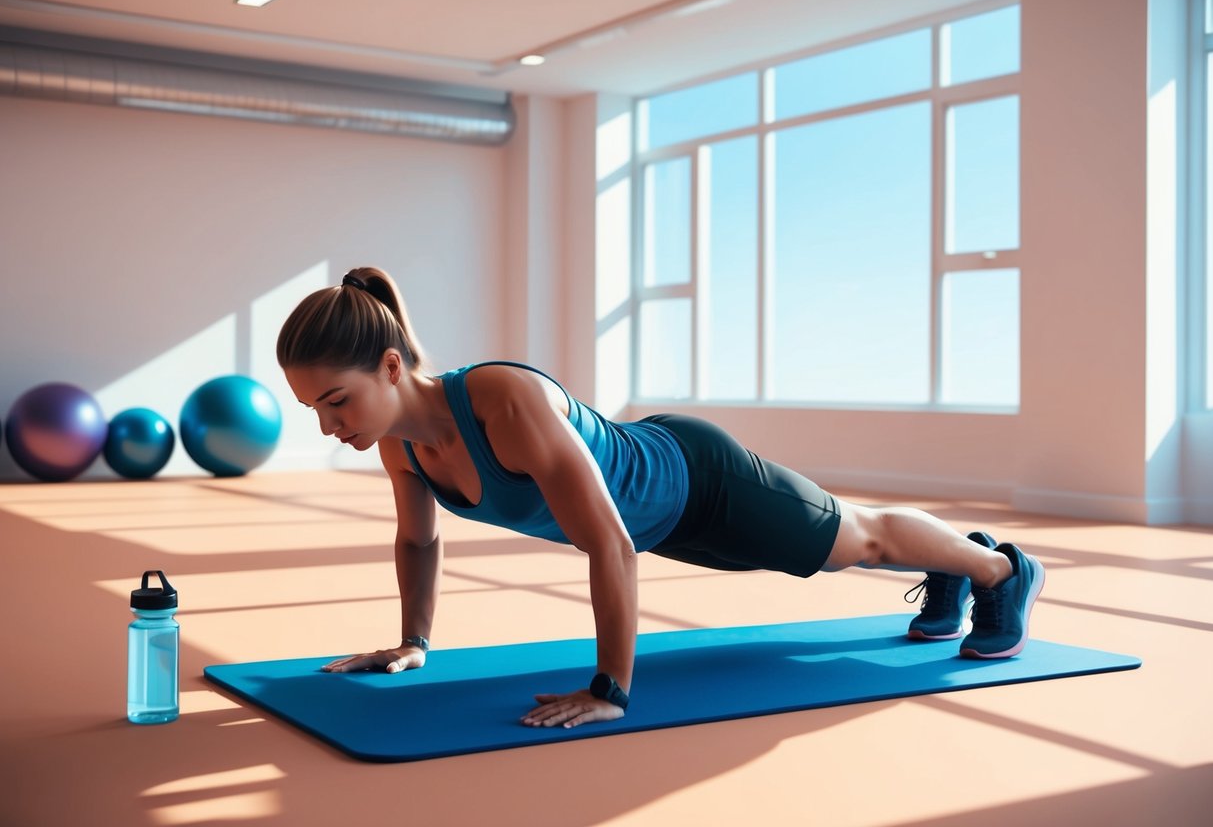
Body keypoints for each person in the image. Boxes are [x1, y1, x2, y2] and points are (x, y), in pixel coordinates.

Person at [277, 266, 1045, 730]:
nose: (328, 426)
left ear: (389, 367)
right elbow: (419, 539)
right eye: (313, 408)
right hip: (664, 523)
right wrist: (413, 641)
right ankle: (954, 566)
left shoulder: (502, 401)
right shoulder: (399, 443)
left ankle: (999, 570)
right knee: (832, 554)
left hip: (698, 481)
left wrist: (610, 689)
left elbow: (606, 542)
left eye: (336, 401)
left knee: (857, 541)